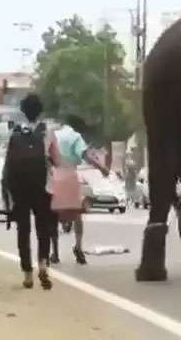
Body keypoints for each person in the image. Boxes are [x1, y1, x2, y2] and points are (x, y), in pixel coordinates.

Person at [1, 93, 59, 290]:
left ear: (23, 112)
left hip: (20, 188)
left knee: (23, 230)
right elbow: (57, 161)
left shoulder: (15, 133)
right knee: (44, 228)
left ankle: (27, 273)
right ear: (40, 111)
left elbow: (8, 166)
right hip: (42, 187)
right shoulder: (48, 132)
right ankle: (43, 264)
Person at [49, 114, 110, 265]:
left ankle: (55, 252)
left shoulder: (53, 135)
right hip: (70, 176)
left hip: (54, 176)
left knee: (53, 216)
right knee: (76, 214)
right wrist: (102, 168)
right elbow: (86, 155)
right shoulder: (75, 137)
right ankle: (78, 247)